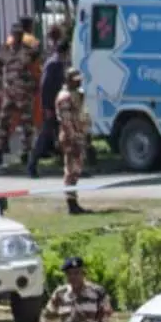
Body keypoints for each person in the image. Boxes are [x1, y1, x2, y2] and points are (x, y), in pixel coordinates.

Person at [0, 23, 42, 172]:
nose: (17, 37)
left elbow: (38, 54)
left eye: (20, 34)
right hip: (9, 93)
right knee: (2, 124)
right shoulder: (5, 50)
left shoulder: (28, 51)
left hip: (24, 94)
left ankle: (28, 159)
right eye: (15, 34)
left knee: (27, 127)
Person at [29, 40, 69, 180]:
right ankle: (32, 164)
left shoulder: (56, 62)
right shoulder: (54, 63)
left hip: (57, 105)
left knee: (63, 136)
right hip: (51, 106)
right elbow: (45, 86)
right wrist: (47, 107)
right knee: (45, 136)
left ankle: (69, 168)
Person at [54, 67, 89, 215]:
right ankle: (71, 204)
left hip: (79, 135)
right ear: (68, 80)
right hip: (70, 138)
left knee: (77, 169)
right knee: (71, 171)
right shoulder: (64, 98)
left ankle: (74, 201)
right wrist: (73, 140)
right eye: (75, 80)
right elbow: (66, 122)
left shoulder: (76, 94)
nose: (79, 82)